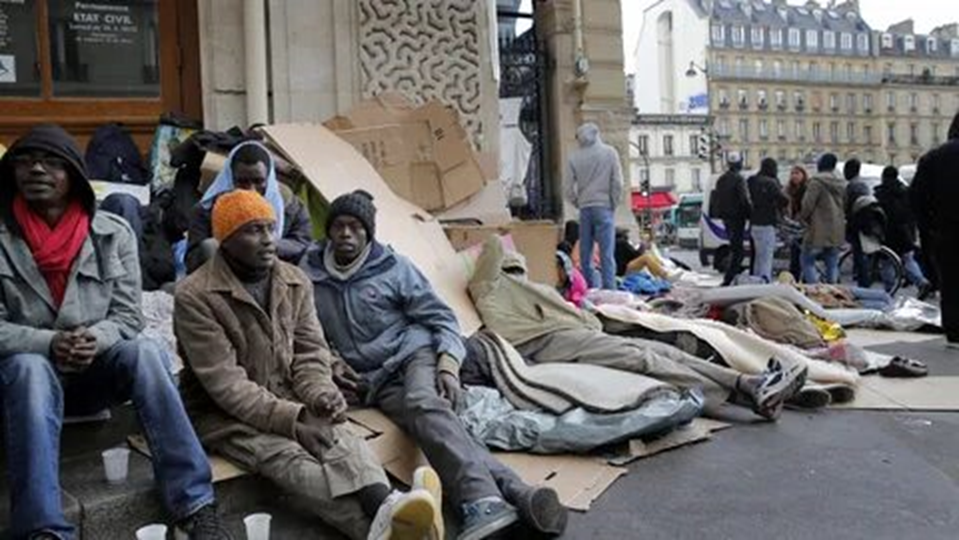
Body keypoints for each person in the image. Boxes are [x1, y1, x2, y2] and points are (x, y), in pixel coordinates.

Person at [0, 125, 230, 540]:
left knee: (146, 352)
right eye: (26, 161)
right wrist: (48, 343)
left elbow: (127, 317)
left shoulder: (112, 232)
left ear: (73, 174)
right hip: (22, 383)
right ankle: (42, 530)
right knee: (30, 368)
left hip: (93, 373)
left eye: (52, 162)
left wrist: (97, 338)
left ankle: (195, 505)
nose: (36, 169)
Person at [302, 191, 568, 540]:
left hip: (413, 354)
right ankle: (516, 491)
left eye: (355, 227)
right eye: (339, 227)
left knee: (423, 404)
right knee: (435, 426)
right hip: (372, 380)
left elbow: (442, 319)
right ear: (329, 230)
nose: (347, 235)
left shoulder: (394, 268)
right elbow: (305, 330)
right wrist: (332, 361)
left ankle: (480, 501)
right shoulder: (310, 275)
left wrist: (447, 365)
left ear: (369, 233)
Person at [175, 189, 439, 540]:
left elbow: (310, 353)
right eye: (253, 230)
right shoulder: (196, 296)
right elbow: (228, 386)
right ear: (226, 239)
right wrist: (296, 421)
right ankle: (393, 529)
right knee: (290, 459)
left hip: (289, 394)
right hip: (225, 415)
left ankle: (384, 507)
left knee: (339, 436)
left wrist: (320, 397)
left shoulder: (294, 279)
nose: (269, 240)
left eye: (271, 228)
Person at [469, 235, 807, 421]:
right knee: (644, 360)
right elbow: (494, 246)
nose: (520, 270)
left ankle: (749, 383)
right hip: (546, 343)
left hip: (574, 334)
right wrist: (492, 236)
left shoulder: (530, 290)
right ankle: (744, 394)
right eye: (515, 267)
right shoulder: (488, 286)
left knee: (662, 351)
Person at [185, 141, 312, 273]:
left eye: (258, 181)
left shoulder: (291, 207)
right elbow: (193, 260)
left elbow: (303, 245)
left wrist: (265, 245)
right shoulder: (206, 210)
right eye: (242, 182)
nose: (251, 190)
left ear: (268, 179)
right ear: (231, 179)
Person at [910, 111, 959, 348]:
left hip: (946, 231)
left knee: (950, 282)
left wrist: (929, 228)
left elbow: (917, 198)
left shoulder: (933, 158)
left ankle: (954, 333)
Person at [563, 123, 624, 290]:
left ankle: (590, 288)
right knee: (606, 253)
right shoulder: (610, 153)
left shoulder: (574, 157)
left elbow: (567, 188)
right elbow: (617, 183)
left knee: (585, 254)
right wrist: (613, 203)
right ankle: (610, 289)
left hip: (585, 208)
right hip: (604, 206)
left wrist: (578, 202)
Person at [873, 166, 932, 297]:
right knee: (908, 259)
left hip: (887, 233)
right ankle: (921, 282)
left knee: (886, 262)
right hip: (905, 232)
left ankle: (890, 289)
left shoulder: (880, 193)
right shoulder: (906, 191)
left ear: (884, 177)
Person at [799, 154, 846, 284]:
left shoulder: (816, 182)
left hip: (818, 229)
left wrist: (802, 218)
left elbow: (807, 205)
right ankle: (832, 290)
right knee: (832, 263)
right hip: (837, 228)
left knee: (806, 261)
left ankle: (816, 290)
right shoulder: (841, 182)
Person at [710, 152, 752, 286]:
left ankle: (730, 278)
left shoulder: (721, 179)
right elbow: (744, 199)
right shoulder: (739, 179)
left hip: (726, 218)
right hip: (737, 218)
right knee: (738, 251)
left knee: (734, 248)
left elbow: (717, 199)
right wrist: (751, 214)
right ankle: (729, 279)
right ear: (740, 163)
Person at [747, 158, 789, 283]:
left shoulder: (751, 181)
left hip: (754, 223)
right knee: (766, 257)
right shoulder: (771, 182)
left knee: (757, 257)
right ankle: (764, 281)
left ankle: (754, 281)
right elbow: (783, 200)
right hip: (767, 222)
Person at [843, 159, 871, 287]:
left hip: (856, 223)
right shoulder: (863, 185)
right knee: (861, 254)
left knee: (860, 255)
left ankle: (863, 284)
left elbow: (846, 206)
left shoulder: (852, 186)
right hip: (865, 223)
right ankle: (863, 281)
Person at [784, 166, 809, 280]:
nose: (794, 176)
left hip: (806, 227)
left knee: (804, 256)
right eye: (792, 173)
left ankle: (804, 280)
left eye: (797, 173)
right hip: (793, 226)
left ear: (803, 175)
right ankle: (794, 279)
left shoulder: (807, 189)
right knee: (794, 256)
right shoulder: (788, 190)